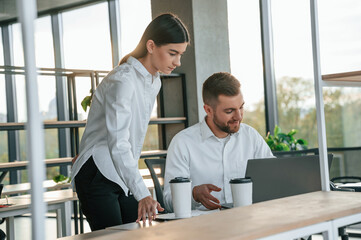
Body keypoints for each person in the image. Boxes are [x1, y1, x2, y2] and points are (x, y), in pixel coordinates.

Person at [71, 13, 190, 231]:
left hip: (121, 172)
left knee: (136, 234)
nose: (178, 62)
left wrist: (137, 188)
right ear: (151, 46)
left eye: (180, 54)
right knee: (115, 237)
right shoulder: (123, 80)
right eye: (172, 53)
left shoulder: (154, 81)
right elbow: (119, 142)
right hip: (98, 171)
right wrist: (143, 193)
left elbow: (131, 140)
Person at [163, 72, 274, 212]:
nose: (238, 116)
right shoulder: (183, 143)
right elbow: (168, 202)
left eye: (241, 107)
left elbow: (274, 178)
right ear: (208, 110)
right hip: (205, 227)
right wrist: (193, 195)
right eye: (229, 111)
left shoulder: (250, 136)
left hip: (248, 219)